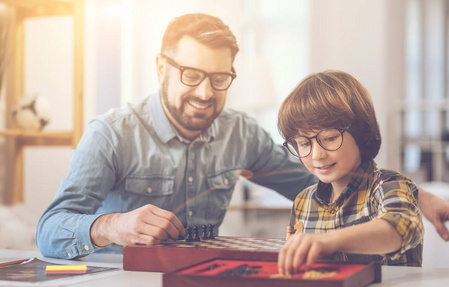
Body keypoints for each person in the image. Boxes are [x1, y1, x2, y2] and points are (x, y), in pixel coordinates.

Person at [36, 13, 448, 260]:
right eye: (191, 75)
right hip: (112, 285)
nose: (205, 92)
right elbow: (50, 228)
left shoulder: (241, 133)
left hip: (204, 283)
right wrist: (111, 226)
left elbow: (323, 176)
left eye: (220, 78)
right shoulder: (110, 134)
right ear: (161, 68)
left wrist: (416, 195)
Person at [277, 70, 423, 275]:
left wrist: (329, 240)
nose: (317, 155)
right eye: (303, 143)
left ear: (361, 133)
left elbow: (401, 227)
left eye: (329, 138)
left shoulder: (389, 185)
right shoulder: (303, 201)